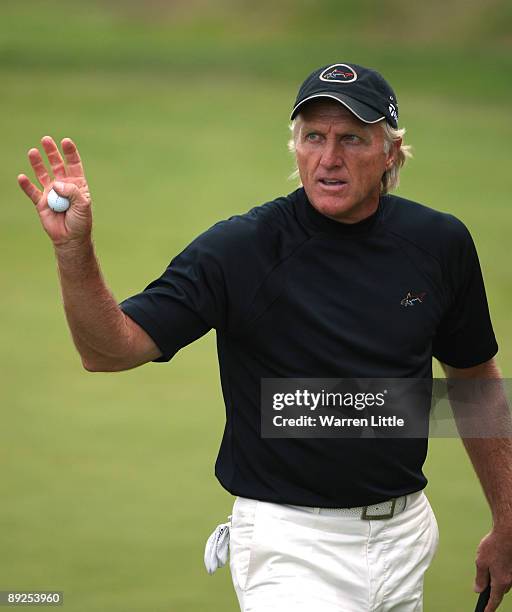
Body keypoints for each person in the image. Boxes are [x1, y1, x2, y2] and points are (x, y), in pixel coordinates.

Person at [17, 62, 512, 612]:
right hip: (291, 546)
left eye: (352, 138)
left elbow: (474, 383)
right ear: (295, 147)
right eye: (314, 138)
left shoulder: (439, 244)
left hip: (406, 536)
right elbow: (109, 350)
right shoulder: (241, 250)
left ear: (391, 152)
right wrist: (73, 251)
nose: (329, 158)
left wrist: (508, 519)